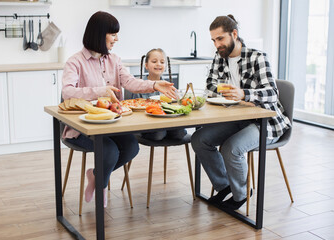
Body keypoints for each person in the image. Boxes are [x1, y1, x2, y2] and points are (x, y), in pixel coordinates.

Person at [61, 11, 177, 207]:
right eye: (113, 34)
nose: (116, 39)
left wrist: (154, 85)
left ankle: (97, 176)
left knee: (132, 147)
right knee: (110, 152)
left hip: (113, 124)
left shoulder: (114, 59)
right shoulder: (75, 62)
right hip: (84, 127)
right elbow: (67, 92)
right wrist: (101, 91)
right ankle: (102, 189)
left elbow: (129, 82)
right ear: (99, 34)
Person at [191, 15, 291, 210]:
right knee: (199, 139)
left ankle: (242, 194)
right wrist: (226, 93)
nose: (216, 44)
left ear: (234, 34)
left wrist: (244, 94)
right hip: (236, 117)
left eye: (220, 39)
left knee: (231, 148)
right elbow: (210, 85)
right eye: (213, 40)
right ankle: (226, 186)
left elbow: (272, 93)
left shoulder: (257, 57)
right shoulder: (220, 58)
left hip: (264, 121)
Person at [130, 48, 187, 141]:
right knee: (159, 134)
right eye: (154, 61)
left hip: (166, 122)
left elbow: (174, 105)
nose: (158, 64)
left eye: (162, 62)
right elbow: (136, 111)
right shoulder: (139, 85)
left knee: (180, 133)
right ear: (146, 65)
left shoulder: (167, 85)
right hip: (148, 124)